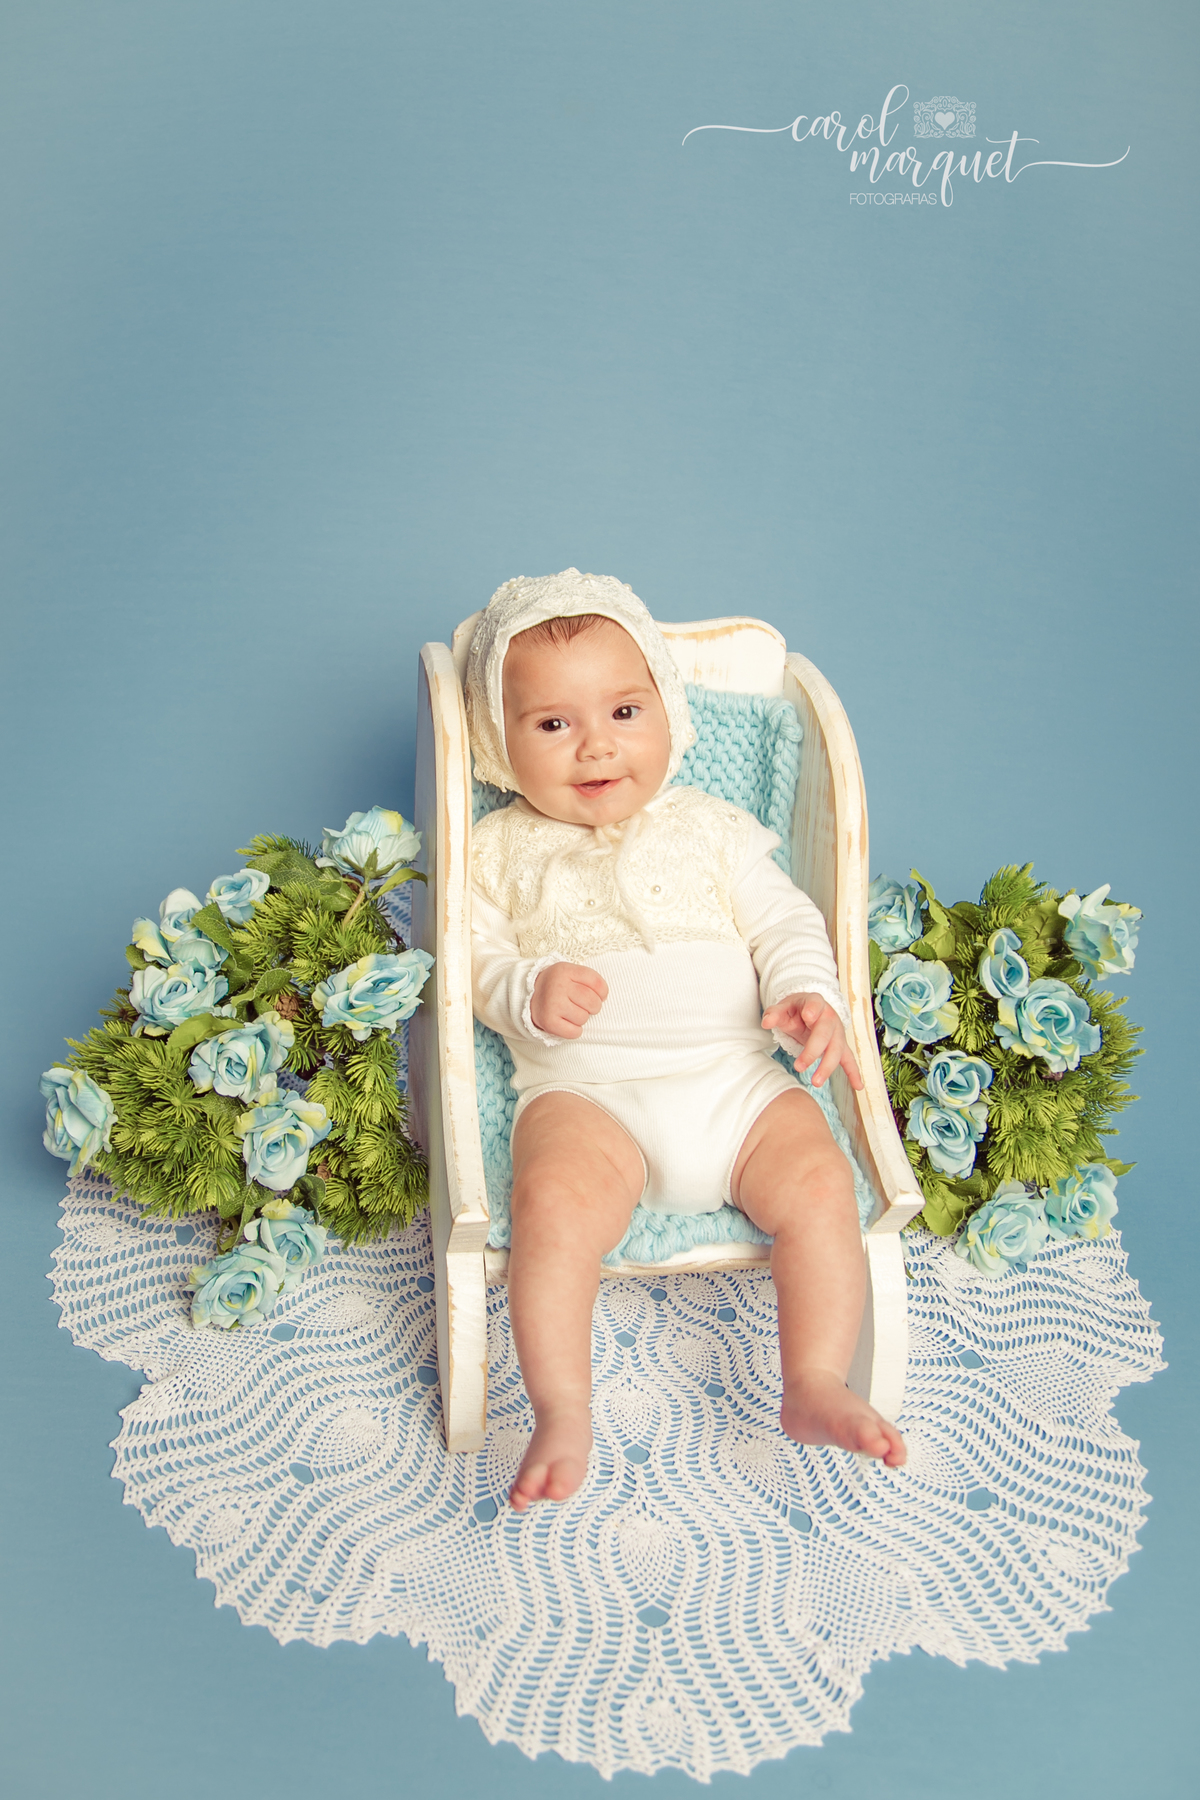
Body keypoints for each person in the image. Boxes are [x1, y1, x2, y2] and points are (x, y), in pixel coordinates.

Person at [466, 569, 906, 1510]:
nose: (596, 745)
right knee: (552, 1202)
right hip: (589, 1097)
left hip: (735, 1081)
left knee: (821, 1181)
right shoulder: (499, 848)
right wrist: (527, 992)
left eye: (626, 710)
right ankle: (562, 1406)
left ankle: (814, 1380)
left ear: (668, 709)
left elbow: (787, 921)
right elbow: (474, 961)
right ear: (499, 746)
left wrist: (804, 991)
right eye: (553, 724)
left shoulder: (714, 828)